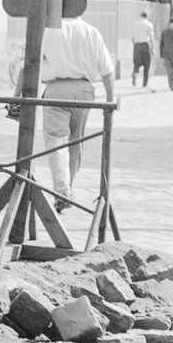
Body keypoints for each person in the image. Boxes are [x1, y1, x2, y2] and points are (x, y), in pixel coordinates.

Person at [39, 13, 118, 209]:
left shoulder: (48, 31)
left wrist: (17, 99)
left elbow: (30, 63)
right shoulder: (92, 32)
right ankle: (68, 188)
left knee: (56, 139)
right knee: (76, 139)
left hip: (57, 89)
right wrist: (110, 100)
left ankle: (62, 191)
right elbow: (106, 69)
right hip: (85, 90)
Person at [130, 11, 155, 88]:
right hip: (145, 45)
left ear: (140, 16)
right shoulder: (149, 24)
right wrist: (152, 48)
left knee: (137, 63)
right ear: (147, 16)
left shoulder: (135, 24)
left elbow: (132, 37)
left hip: (137, 45)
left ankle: (135, 74)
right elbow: (151, 37)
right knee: (146, 65)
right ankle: (145, 83)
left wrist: (135, 45)